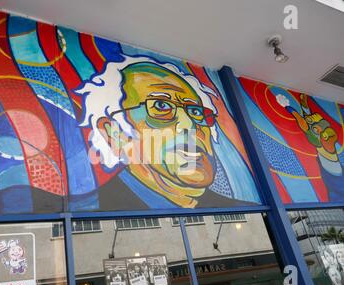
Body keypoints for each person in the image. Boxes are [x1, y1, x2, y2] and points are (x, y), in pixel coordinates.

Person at [76, 56, 258, 210]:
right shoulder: (91, 207)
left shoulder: (240, 209)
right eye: (160, 106)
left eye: (195, 112)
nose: (189, 125)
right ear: (114, 134)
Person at [276, 93, 344, 201]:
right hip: (334, 175)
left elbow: (302, 122)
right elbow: (308, 120)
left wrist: (288, 107)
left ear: (317, 129)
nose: (309, 126)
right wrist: (304, 104)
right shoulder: (322, 132)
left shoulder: (321, 139)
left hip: (335, 180)